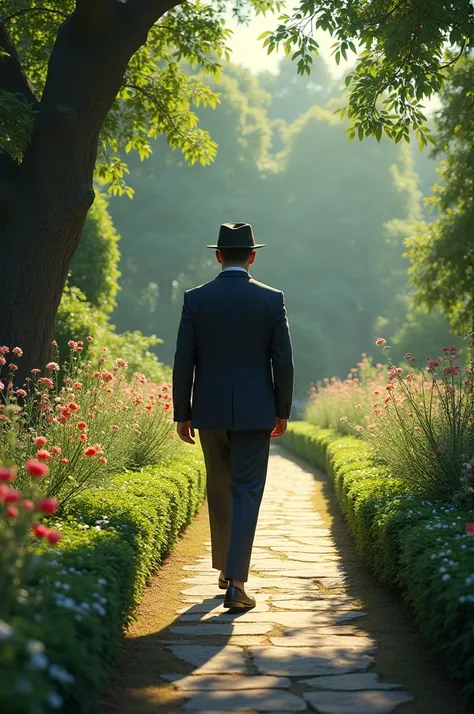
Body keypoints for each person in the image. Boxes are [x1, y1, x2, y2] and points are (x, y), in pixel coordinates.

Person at [172, 222, 294, 610]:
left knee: (219, 488)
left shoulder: (196, 298)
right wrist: (282, 411)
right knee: (246, 491)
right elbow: (284, 362)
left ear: (218, 256)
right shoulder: (271, 300)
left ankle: (226, 569)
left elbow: (183, 360)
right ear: (253, 256)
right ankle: (236, 582)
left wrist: (182, 412)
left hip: (208, 410)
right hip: (257, 411)